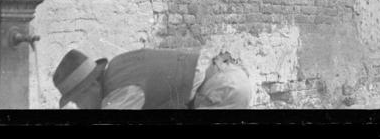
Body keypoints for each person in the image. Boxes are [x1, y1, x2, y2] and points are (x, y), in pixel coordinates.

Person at [53, 47, 252, 109]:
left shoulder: (118, 95)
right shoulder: (118, 66)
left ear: (90, 87)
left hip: (222, 91)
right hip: (224, 76)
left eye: (78, 100)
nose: (81, 107)